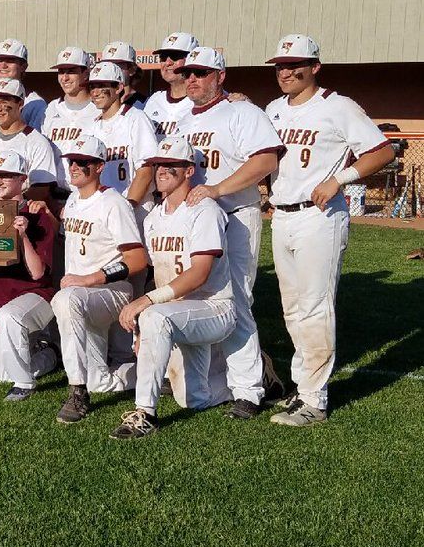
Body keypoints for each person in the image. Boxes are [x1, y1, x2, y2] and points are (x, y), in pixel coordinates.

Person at [264, 34, 395, 427]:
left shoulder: (338, 106)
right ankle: (303, 388)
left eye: (294, 64)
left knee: (316, 305)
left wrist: (341, 178)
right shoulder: (272, 108)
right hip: (282, 215)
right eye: (280, 65)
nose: (286, 71)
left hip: (319, 216)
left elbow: (383, 150)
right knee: (292, 308)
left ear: (315, 66)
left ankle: (315, 401)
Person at [174, 46, 284, 419]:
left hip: (235, 214)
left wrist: (218, 190)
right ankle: (213, 380)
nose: (192, 78)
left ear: (220, 76)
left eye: (201, 72)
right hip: (197, 221)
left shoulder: (241, 112)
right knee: (203, 298)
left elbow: (267, 159)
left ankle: (249, 390)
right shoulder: (184, 120)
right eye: (188, 72)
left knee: (236, 300)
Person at [110, 136, 237, 438]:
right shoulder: (154, 217)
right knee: (192, 399)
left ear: (189, 170)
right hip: (177, 309)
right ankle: (243, 384)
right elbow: (157, 273)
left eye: (171, 165)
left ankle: (144, 413)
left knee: (154, 316)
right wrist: (143, 326)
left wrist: (147, 305)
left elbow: (200, 274)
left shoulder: (205, 210)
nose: (162, 171)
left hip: (214, 307)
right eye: (158, 165)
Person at [51, 135, 148, 423]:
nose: (75, 167)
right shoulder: (72, 199)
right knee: (100, 380)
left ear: (99, 166)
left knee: (67, 299)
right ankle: (154, 372)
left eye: (83, 162)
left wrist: (91, 278)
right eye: (72, 161)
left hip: (113, 292)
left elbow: (137, 259)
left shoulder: (113, 202)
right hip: (84, 296)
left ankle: (76, 392)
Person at [0, 152, 59, 401]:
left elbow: (38, 273)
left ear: (22, 179)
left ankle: (24, 384)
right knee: (2, 373)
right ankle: (49, 354)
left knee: (10, 317)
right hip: (1, 301)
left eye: (7, 176)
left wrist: (22, 237)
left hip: (36, 296)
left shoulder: (36, 215)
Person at [87, 61, 158, 210]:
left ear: (119, 87)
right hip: (102, 209)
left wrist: (127, 207)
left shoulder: (136, 118)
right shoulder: (92, 128)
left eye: (102, 86)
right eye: (92, 86)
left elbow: (146, 171)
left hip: (136, 207)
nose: (95, 92)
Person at [41, 47, 100, 193]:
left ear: (86, 73)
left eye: (71, 71)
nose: (65, 78)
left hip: (84, 192)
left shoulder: (98, 109)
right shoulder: (51, 109)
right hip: (53, 193)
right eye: (61, 72)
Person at [143, 32, 200, 136]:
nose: (168, 63)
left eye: (175, 56)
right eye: (163, 57)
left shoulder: (205, 99)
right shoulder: (153, 100)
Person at [0, 39, 47, 129]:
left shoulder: (36, 104)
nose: (3, 65)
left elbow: (34, 138)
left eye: (10, 60)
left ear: (23, 66)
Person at [99, 40, 148, 107]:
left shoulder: (146, 104)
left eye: (117, 65)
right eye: (107, 65)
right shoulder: (96, 104)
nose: (111, 70)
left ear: (132, 69)